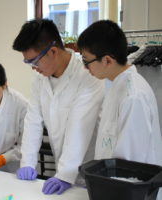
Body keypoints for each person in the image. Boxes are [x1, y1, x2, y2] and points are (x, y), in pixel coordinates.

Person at [12, 19, 104, 195]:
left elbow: (79, 127)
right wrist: (28, 163)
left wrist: (65, 174)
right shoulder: (40, 80)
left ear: (53, 51)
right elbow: (32, 121)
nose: (33, 68)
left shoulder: (87, 76)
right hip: (63, 169)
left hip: (90, 171)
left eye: (34, 61)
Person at [77, 21, 162, 171]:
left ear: (107, 60)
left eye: (86, 61)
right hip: (114, 184)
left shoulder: (133, 96)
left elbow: (130, 164)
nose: (85, 68)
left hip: (131, 189)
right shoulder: (116, 84)